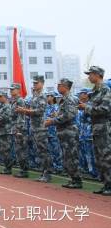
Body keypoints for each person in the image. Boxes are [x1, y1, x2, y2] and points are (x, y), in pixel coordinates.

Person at [79, 66, 111, 195]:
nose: (89, 77)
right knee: (99, 158)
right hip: (96, 129)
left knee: (106, 157)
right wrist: (84, 109)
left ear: (98, 75)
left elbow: (105, 109)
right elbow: (91, 110)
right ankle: (105, 184)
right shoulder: (94, 92)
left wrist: (86, 107)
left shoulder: (105, 90)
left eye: (90, 74)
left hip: (104, 129)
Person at [45, 79, 81, 188]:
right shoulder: (64, 99)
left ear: (65, 87)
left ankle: (77, 180)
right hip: (64, 132)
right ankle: (73, 179)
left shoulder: (70, 99)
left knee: (72, 156)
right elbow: (63, 114)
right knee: (67, 156)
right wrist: (54, 117)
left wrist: (52, 121)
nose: (58, 87)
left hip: (70, 132)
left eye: (60, 85)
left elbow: (68, 116)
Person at [16, 75, 52, 182]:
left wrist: (25, 111)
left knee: (44, 151)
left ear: (42, 83)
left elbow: (39, 111)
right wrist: (26, 111)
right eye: (33, 83)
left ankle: (47, 173)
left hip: (41, 127)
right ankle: (43, 172)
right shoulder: (35, 96)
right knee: (39, 151)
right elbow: (31, 111)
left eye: (36, 83)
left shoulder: (42, 96)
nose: (34, 85)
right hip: (34, 127)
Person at [77, 88, 98, 179]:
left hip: (90, 134)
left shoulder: (90, 106)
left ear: (86, 95)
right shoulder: (82, 106)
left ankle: (95, 173)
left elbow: (91, 120)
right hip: (83, 134)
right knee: (86, 154)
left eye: (81, 93)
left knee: (92, 155)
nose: (80, 96)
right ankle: (90, 171)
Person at [10, 83, 30, 178]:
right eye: (10, 89)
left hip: (20, 129)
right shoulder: (14, 101)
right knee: (18, 150)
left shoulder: (20, 101)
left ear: (18, 90)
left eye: (12, 89)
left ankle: (24, 170)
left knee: (21, 149)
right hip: (15, 128)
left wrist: (19, 129)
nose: (11, 91)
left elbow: (21, 116)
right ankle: (22, 169)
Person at [0, 91, 15, 174]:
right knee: (3, 150)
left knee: (6, 150)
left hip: (6, 131)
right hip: (0, 131)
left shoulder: (7, 106)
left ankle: (8, 168)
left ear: (5, 97)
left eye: (0, 96)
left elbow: (6, 118)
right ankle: (6, 167)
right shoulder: (1, 106)